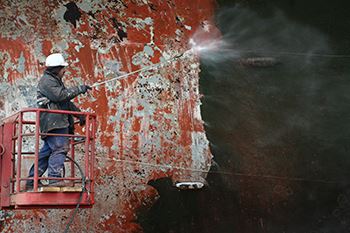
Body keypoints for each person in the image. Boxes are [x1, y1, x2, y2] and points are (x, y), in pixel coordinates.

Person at [26, 53, 91, 189]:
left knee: (47, 152)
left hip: (53, 122)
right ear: (56, 69)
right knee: (60, 148)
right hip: (54, 122)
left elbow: (65, 102)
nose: (64, 71)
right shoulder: (47, 81)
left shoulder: (54, 81)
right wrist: (79, 89)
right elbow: (60, 96)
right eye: (62, 68)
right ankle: (54, 179)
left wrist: (79, 115)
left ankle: (32, 181)